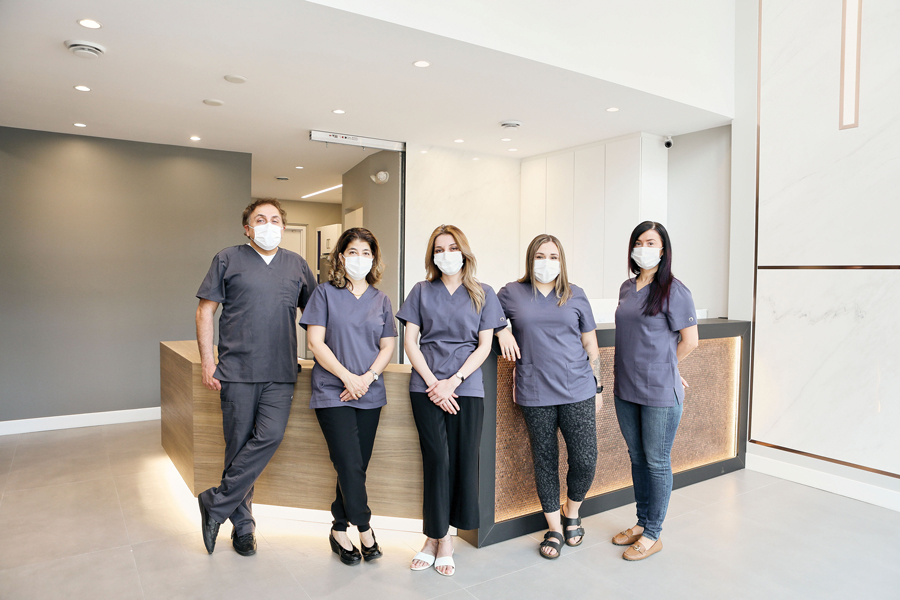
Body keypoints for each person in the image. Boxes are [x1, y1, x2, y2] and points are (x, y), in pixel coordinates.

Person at [195, 198, 317, 556]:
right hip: (237, 371)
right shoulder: (228, 259)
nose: (268, 224)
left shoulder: (296, 264)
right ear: (247, 227)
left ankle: (214, 502)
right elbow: (205, 311)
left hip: (280, 371)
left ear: (283, 226)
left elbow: (316, 313)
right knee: (237, 449)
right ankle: (243, 527)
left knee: (269, 437)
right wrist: (207, 360)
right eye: (260, 219)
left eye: (275, 219)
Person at [397, 225, 507, 577]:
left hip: (467, 388)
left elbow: (485, 346)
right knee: (437, 461)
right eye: (439, 248)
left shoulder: (483, 293)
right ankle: (433, 537)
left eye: (452, 247)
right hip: (425, 387)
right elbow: (410, 342)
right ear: (432, 256)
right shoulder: (420, 291)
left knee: (461, 461)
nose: (446, 253)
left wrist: (453, 381)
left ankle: (447, 541)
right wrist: (434, 384)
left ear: (464, 252)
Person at [496, 234, 602, 560]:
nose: (547, 262)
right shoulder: (511, 293)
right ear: (531, 259)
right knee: (545, 461)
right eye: (541, 256)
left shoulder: (575, 294)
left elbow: (591, 345)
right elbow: (487, 317)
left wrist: (598, 386)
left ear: (562, 261)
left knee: (585, 459)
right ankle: (555, 527)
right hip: (535, 390)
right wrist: (502, 330)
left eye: (553, 256)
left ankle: (573, 512)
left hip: (578, 389)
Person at [299, 227, 397, 566]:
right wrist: (347, 378)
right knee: (347, 462)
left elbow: (388, 347)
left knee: (357, 466)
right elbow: (315, 343)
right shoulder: (324, 293)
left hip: (369, 393)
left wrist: (366, 378)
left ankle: (339, 528)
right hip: (332, 392)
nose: (360, 259)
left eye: (366, 253)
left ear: (374, 259)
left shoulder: (381, 300)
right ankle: (366, 528)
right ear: (340, 257)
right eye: (353, 252)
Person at [610, 221, 698, 561]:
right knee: (637, 458)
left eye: (651, 243)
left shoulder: (675, 290)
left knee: (657, 461)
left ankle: (653, 534)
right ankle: (641, 521)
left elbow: (690, 340)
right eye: (639, 242)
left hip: (660, 391)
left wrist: (668, 367)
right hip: (626, 387)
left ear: (663, 250)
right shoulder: (626, 288)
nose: (643, 248)